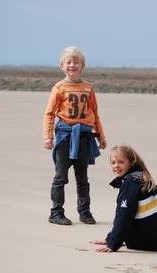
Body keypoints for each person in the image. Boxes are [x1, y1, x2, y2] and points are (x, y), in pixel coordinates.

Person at [43, 47, 107, 226]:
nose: (72, 65)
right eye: (68, 62)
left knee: (82, 178)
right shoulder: (59, 87)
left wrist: (100, 135)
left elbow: (95, 113)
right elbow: (49, 113)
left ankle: (85, 212)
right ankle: (56, 212)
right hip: (65, 137)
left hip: (85, 138)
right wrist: (47, 136)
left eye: (76, 62)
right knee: (60, 177)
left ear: (82, 66)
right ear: (62, 66)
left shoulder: (88, 88)